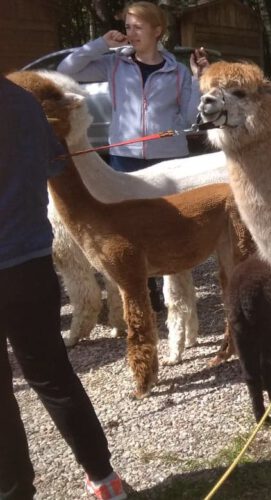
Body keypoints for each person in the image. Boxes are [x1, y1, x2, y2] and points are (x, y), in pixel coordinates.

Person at [0, 76, 125, 499]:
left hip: (22, 259)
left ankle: (15, 491)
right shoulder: (23, 102)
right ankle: (104, 479)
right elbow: (53, 164)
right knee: (53, 375)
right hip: (29, 265)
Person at [57, 1, 210, 309]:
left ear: (157, 30)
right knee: (129, 228)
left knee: (169, 224)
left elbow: (191, 117)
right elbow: (66, 70)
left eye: (138, 26)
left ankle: (176, 295)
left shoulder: (177, 71)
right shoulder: (114, 64)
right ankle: (143, 292)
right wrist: (101, 44)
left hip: (167, 159)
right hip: (124, 158)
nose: (131, 32)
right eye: (128, 26)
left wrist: (197, 77)